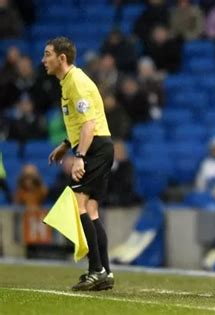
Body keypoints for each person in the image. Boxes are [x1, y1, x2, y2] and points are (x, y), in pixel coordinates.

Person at [43, 37, 114, 291]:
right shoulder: (69, 82)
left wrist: (79, 156)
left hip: (94, 148)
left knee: (78, 203)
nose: (44, 60)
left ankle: (95, 269)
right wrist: (66, 143)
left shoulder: (76, 82)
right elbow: (83, 119)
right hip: (99, 146)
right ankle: (105, 271)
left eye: (48, 54)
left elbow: (88, 124)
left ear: (62, 58)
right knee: (91, 210)